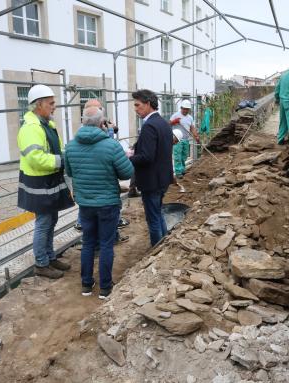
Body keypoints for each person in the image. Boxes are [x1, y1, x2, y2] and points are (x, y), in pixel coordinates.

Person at [65, 106, 133, 298]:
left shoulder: (71, 146)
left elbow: (70, 172)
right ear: (102, 123)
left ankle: (86, 284)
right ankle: (105, 287)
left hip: (85, 203)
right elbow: (127, 173)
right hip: (107, 203)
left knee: (87, 243)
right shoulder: (110, 145)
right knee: (105, 244)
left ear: (83, 122)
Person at [17, 84, 74, 279]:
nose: (54, 107)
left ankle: (50, 257)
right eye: (51, 103)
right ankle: (41, 263)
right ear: (38, 105)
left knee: (52, 219)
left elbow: (56, 149)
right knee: (44, 221)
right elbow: (36, 158)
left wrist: (67, 155)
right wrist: (63, 161)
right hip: (38, 182)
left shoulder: (46, 124)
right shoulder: (31, 128)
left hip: (49, 179)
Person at [128, 89, 173, 247]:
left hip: (151, 181)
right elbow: (158, 150)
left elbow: (147, 157)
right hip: (162, 178)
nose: (135, 108)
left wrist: (129, 157)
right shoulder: (163, 123)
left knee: (153, 219)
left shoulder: (149, 126)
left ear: (148, 104)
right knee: (158, 213)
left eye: (137, 105)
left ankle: (157, 249)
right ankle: (164, 246)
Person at [169, 99, 199, 178]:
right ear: (181, 108)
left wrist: (196, 136)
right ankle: (178, 172)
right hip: (177, 140)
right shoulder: (176, 115)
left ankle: (182, 169)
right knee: (177, 156)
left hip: (186, 139)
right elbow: (168, 124)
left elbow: (192, 128)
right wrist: (173, 122)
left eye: (187, 109)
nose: (185, 110)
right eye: (184, 109)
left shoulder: (190, 118)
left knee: (184, 156)